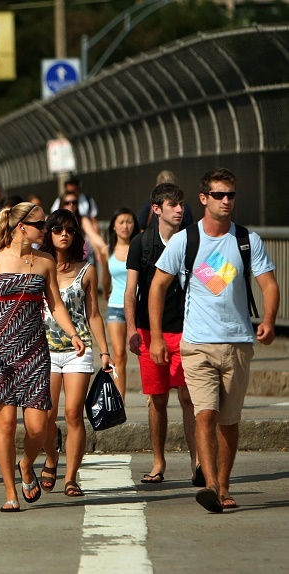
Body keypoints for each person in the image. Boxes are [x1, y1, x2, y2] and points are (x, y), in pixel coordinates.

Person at [149, 168, 278, 513]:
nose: (225, 201)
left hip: (237, 342)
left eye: (230, 195)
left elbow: (268, 285)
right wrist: (157, 337)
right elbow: (157, 286)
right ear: (203, 198)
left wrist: (267, 320)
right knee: (205, 414)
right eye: (218, 195)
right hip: (197, 344)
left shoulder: (246, 240)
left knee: (229, 421)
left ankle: (223, 483)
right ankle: (209, 485)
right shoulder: (186, 240)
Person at [0, 202, 85, 513]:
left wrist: (73, 334)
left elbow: (55, 304)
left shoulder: (44, 261)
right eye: (40, 225)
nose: (45, 230)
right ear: (21, 227)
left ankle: (26, 464)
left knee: (38, 428)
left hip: (35, 351)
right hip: (1, 352)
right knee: (5, 425)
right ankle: (10, 492)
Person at [125, 183, 197, 484]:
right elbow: (131, 292)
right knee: (157, 399)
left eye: (181, 204)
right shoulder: (142, 244)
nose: (179, 209)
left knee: (189, 397)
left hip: (188, 331)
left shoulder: (193, 241)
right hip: (149, 330)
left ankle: (198, 464)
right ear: (157, 209)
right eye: (172, 204)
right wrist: (131, 330)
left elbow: (213, 279)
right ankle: (158, 462)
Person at [39, 209, 113, 498]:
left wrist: (105, 351)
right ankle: (50, 457)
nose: (64, 235)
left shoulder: (86, 269)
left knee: (73, 414)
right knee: (46, 415)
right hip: (44, 349)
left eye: (69, 230)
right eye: (58, 230)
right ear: (48, 233)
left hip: (78, 348)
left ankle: (71, 478)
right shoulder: (39, 266)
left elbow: (93, 313)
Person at [102, 207, 139, 400]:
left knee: (143, 352)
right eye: (121, 222)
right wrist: (107, 293)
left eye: (129, 221)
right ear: (114, 226)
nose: (125, 226)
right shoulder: (106, 250)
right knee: (118, 353)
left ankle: (152, 395)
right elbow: (105, 278)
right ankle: (120, 399)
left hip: (138, 305)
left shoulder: (140, 245)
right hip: (116, 306)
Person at [60, 188, 108, 265]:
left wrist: (105, 247)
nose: (71, 205)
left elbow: (93, 235)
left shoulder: (83, 220)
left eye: (74, 202)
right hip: (65, 260)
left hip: (83, 259)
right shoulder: (58, 221)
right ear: (62, 204)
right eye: (67, 202)